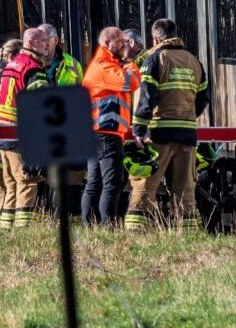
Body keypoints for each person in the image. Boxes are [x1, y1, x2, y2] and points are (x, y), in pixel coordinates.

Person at [125, 19, 208, 231]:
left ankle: (136, 231)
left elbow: (146, 99)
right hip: (187, 133)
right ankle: (187, 232)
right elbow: (203, 98)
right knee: (184, 189)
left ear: (155, 38)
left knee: (145, 184)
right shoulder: (194, 61)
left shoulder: (154, 60)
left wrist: (138, 131)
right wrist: (187, 115)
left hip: (159, 133)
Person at [0, 27, 51, 226]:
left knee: (10, 184)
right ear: (33, 43)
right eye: (43, 41)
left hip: (3, 132)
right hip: (20, 134)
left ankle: (5, 229)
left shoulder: (11, 65)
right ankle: (23, 230)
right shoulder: (33, 68)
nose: (47, 44)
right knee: (27, 182)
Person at [81, 27, 138, 225]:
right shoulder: (104, 66)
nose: (124, 45)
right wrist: (130, 63)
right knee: (112, 183)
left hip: (97, 132)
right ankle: (108, 226)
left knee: (94, 183)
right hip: (105, 133)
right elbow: (131, 83)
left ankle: (90, 224)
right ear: (107, 44)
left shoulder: (105, 65)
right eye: (120, 41)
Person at [0, 39, 22, 229]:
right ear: (12, 56)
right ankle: (6, 224)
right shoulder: (9, 76)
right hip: (5, 140)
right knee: (10, 183)